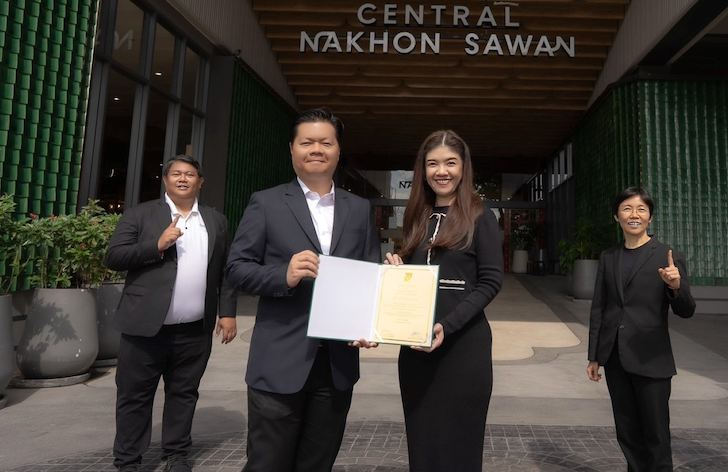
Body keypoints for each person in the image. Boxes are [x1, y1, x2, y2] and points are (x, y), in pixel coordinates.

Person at [226, 107, 381, 472]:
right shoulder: (265, 202)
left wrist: (372, 323)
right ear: (292, 149)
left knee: (318, 462)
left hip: (337, 363)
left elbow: (370, 275)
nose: (316, 149)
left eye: (325, 142)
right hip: (279, 359)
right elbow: (236, 269)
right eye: (307, 142)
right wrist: (284, 274)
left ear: (338, 151)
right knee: (268, 463)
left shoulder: (359, 208)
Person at [105, 154, 238, 472]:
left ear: (200, 182)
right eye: (176, 173)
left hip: (194, 330)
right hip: (144, 329)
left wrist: (227, 312)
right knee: (135, 397)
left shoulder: (215, 221)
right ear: (165, 180)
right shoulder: (141, 214)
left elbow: (226, 271)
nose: (183, 178)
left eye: (190, 174)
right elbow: (115, 256)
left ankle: (176, 455)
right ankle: (128, 461)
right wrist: (157, 244)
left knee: (184, 394)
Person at [383, 129, 503, 472]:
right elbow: (417, 274)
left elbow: (491, 282)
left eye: (450, 162)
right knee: (422, 441)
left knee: (460, 446)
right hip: (416, 349)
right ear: (423, 169)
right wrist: (396, 272)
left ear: (464, 167)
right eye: (433, 163)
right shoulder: (417, 216)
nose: (442, 171)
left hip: (464, 348)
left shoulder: (481, 217)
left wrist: (445, 326)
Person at [586, 187, 695, 472]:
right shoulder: (609, 256)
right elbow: (600, 307)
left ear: (649, 216)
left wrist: (676, 287)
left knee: (656, 433)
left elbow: (686, 310)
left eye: (641, 209)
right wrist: (595, 355)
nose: (634, 214)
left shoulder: (667, 255)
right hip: (614, 356)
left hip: (651, 357)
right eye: (627, 209)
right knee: (627, 431)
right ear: (616, 216)